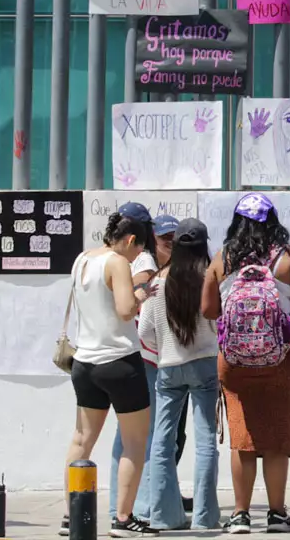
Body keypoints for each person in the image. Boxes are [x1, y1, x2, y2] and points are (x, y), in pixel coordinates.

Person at [201, 193, 290, 534]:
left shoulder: (223, 259)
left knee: (242, 436)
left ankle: (239, 514)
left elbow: (208, 310)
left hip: (234, 362)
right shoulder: (288, 259)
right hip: (280, 359)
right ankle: (277, 514)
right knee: (278, 433)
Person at [64, 205, 159, 538]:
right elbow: (124, 311)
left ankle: (72, 514)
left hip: (85, 362)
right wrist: (142, 293)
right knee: (135, 442)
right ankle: (123, 518)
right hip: (119, 361)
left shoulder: (83, 259)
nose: (138, 256)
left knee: (82, 440)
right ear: (131, 239)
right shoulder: (118, 263)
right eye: (140, 249)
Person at [139, 218, 220, 531]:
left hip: (169, 366)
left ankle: (163, 515)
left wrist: (165, 348)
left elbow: (144, 330)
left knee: (162, 441)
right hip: (205, 365)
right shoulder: (209, 277)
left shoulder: (158, 282)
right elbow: (219, 322)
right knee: (205, 441)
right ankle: (205, 517)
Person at [106, 207, 162, 524]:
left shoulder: (98, 259)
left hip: (113, 353)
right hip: (141, 354)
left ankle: (118, 507)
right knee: (143, 436)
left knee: (123, 436)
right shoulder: (143, 260)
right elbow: (132, 300)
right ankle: (138, 508)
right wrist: (140, 291)